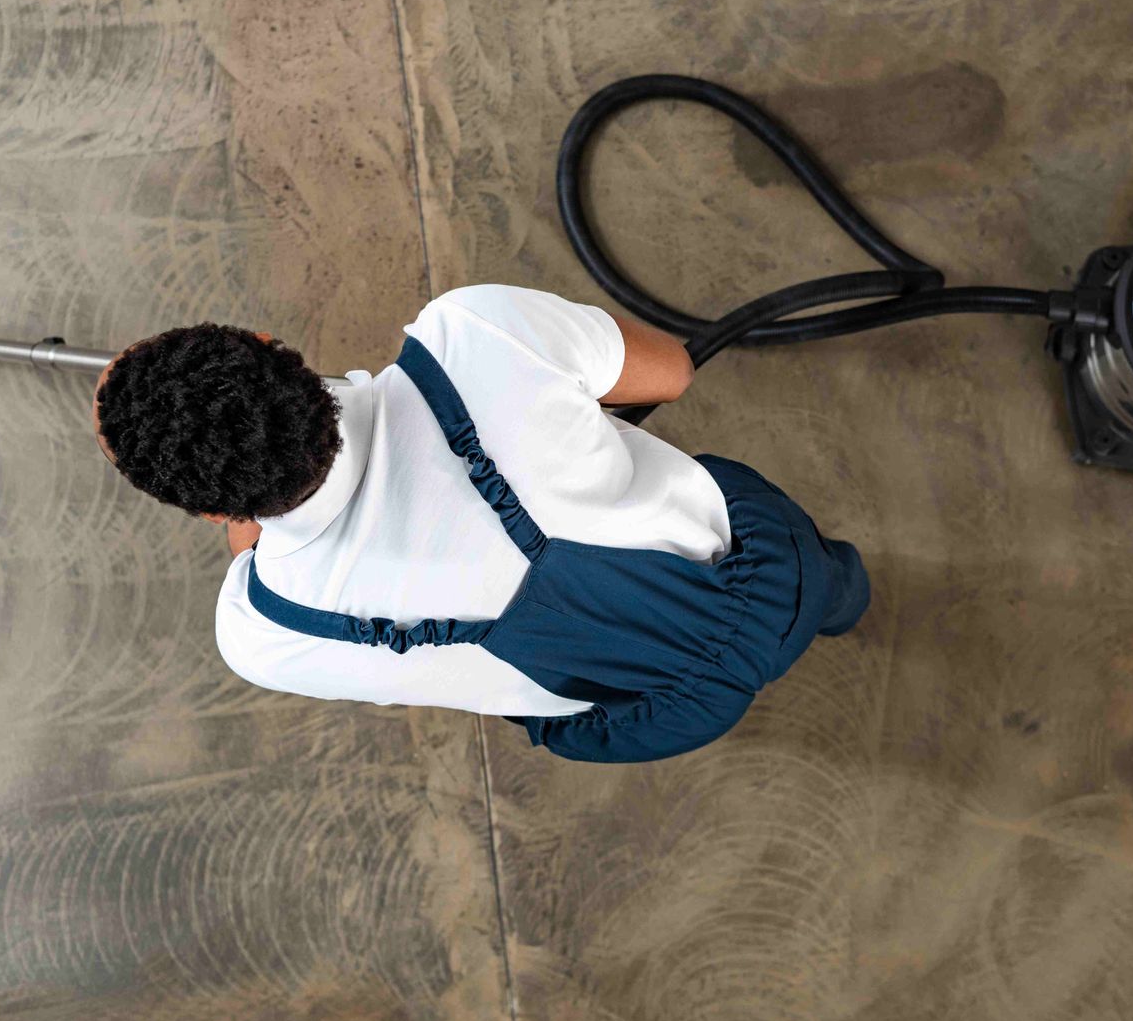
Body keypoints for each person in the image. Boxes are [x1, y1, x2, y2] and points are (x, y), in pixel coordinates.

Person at [91, 284, 869, 763]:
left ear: (209, 509)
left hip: (649, 715)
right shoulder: (470, 331)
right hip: (759, 565)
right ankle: (846, 601)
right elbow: (673, 369)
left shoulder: (262, 631)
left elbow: (251, 546)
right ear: (269, 343)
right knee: (829, 584)